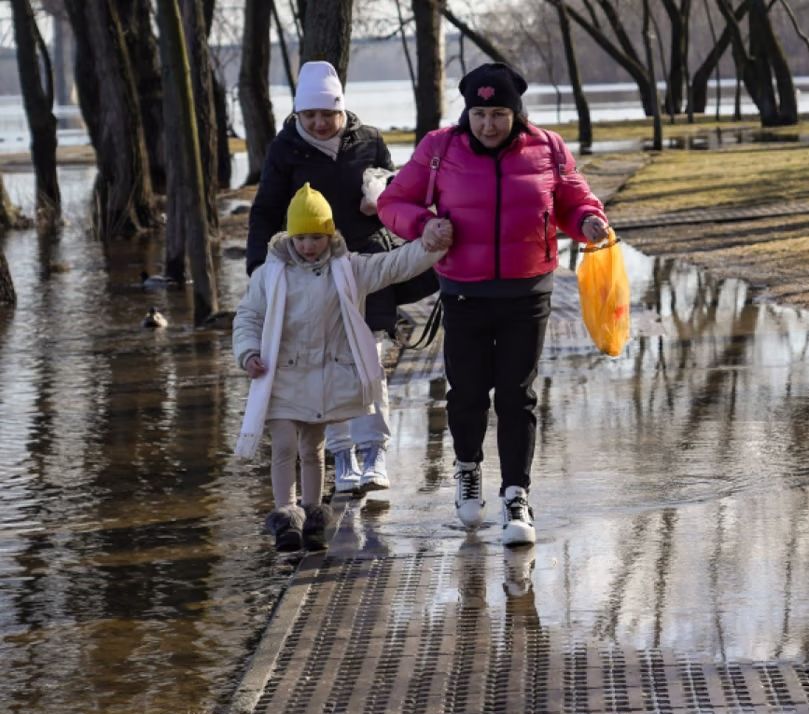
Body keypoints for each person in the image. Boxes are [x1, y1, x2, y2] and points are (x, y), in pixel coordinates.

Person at [377, 62, 609, 547]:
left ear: (516, 112)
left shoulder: (547, 148)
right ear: (468, 112)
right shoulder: (439, 149)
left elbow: (573, 200)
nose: (488, 124)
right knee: (466, 392)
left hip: (529, 292)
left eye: (499, 113)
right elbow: (392, 202)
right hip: (464, 291)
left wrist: (588, 220)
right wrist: (423, 224)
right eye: (480, 113)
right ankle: (466, 469)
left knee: (516, 395)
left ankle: (516, 496)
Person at [246, 60, 436, 497]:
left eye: (326, 114)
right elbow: (266, 210)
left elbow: (393, 187)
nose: (318, 122)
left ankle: (374, 452)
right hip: (310, 272)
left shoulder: (368, 140)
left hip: (364, 261)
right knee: (325, 367)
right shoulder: (285, 149)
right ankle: (341, 457)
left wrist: (382, 201)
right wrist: (260, 267)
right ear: (297, 114)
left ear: (341, 110)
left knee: (367, 359)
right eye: (309, 114)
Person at [234, 184, 452, 552]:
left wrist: (433, 244)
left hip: (324, 377)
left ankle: (313, 514)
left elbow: (394, 265)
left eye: (316, 237)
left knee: (314, 447)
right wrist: (248, 352)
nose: (308, 245)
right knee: (284, 444)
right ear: (289, 236)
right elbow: (248, 317)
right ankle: (286, 516)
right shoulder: (269, 275)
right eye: (301, 237)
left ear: (329, 233)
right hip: (280, 374)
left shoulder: (348, 269)